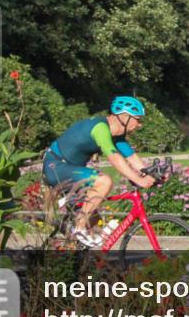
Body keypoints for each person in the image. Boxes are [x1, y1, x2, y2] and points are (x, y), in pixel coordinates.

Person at [43, 96, 155, 247]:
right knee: (104, 181)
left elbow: (132, 157)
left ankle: (82, 260)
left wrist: (150, 173)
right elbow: (114, 157)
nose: (140, 125)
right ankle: (78, 228)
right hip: (56, 167)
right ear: (124, 117)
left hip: (71, 171)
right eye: (138, 119)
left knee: (95, 222)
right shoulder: (101, 128)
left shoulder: (116, 135)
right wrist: (138, 179)